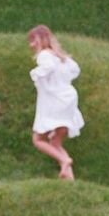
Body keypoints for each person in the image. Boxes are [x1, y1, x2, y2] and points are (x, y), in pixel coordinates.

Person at [28, 24, 84, 180]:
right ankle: (70, 180)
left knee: (38, 139)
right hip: (68, 100)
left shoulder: (44, 55)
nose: (31, 45)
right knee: (55, 143)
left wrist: (35, 73)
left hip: (54, 101)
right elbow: (75, 70)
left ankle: (64, 160)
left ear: (39, 40)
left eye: (32, 41)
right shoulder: (62, 58)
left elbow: (48, 67)